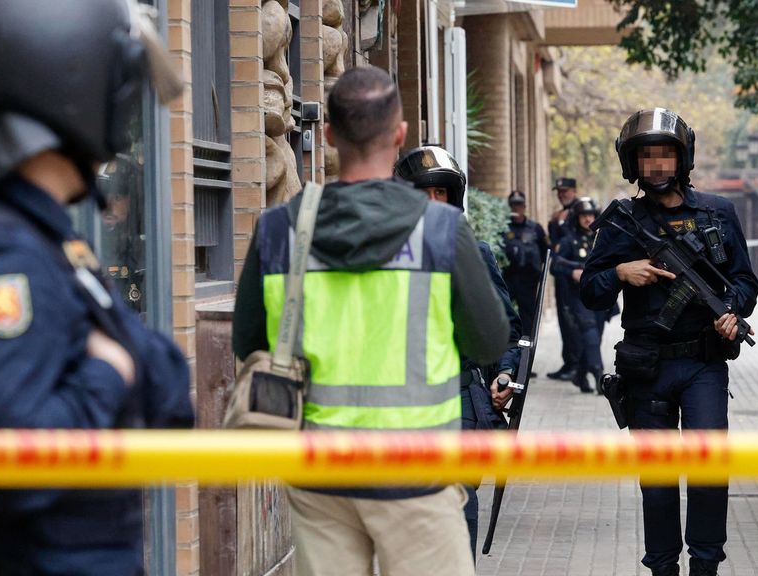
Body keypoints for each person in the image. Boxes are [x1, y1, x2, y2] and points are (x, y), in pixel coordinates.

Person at [0, 2, 193, 575]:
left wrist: (124, 364)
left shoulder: (20, 235)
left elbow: (167, 391)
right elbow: (16, 458)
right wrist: (109, 373)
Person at [233, 67, 509, 576]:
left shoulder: (278, 229)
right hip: (419, 470)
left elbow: (249, 340)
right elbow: (490, 339)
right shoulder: (441, 229)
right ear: (399, 135)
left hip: (318, 473)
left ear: (332, 135)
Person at [580, 108, 758, 576]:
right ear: (633, 164)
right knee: (658, 482)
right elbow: (589, 290)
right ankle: (662, 567)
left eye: (665, 155)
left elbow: (744, 281)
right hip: (648, 368)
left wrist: (731, 312)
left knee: (707, 473)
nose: (657, 166)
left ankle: (704, 566)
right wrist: (621, 272)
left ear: (682, 160)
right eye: (647, 157)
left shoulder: (717, 213)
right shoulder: (623, 220)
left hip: (703, 363)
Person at [394, 145, 523, 558]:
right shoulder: (384, 258)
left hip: (461, 399)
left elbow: (506, 330)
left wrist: (504, 375)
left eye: (441, 194)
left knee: (458, 504)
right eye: (423, 194)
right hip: (400, 403)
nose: (434, 203)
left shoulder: (475, 254)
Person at [551, 197, 608, 394]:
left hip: (600, 296)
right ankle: (599, 374)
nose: (587, 219)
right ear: (577, 217)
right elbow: (555, 264)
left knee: (595, 338)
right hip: (578, 297)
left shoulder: (602, 239)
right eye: (584, 215)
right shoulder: (568, 240)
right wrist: (572, 271)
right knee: (590, 332)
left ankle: (580, 374)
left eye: (591, 214)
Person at [503, 190, 549, 338]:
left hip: (528, 281)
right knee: (505, 313)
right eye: (513, 205)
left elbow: (546, 251)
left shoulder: (535, 228)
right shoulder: (502, 228)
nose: (516, 209)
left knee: (528, 316)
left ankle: (526, 346)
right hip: (508, 279)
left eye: (519, 205)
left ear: (525, 206)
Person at [548, 177, 580, 381]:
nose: (562, 194)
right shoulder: (559, 214)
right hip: (561, 274)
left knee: (573, 321)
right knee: (564, 320)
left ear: (574, 191)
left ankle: (577, 365)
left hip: (576, 275)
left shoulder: (581, 210)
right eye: (559, 191)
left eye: (565, 191)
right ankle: (569, 362)